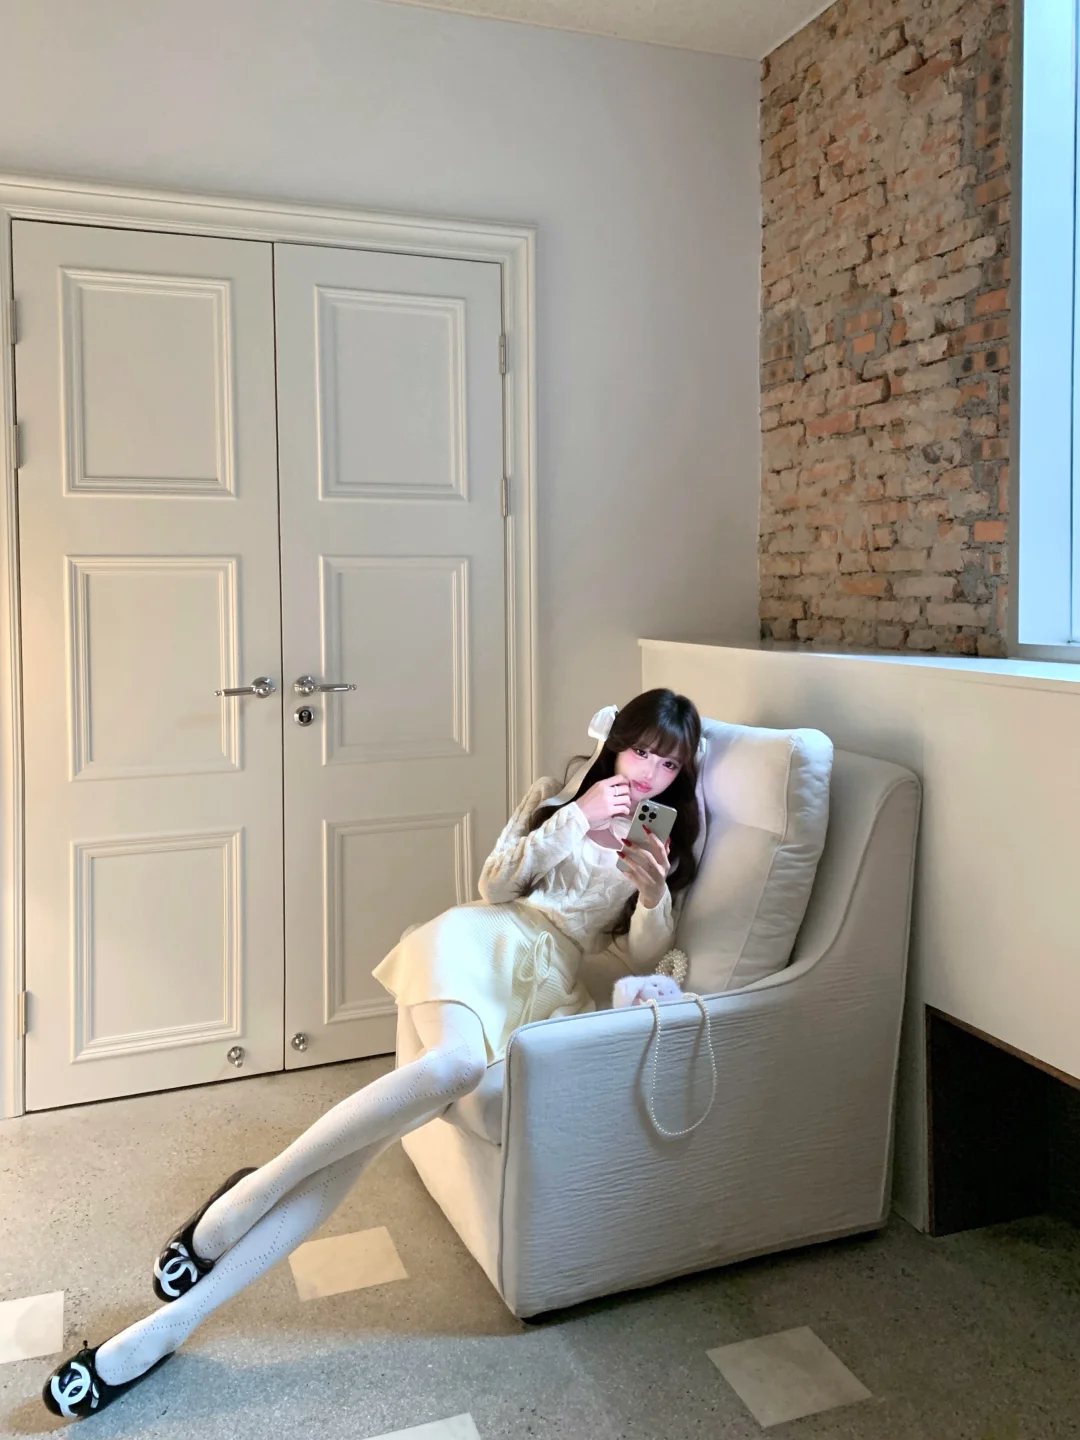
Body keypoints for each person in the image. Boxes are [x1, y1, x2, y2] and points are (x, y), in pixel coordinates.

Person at [43, 688, 703, 1420]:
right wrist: (576, 816)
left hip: (546, 985)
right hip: (484, 942)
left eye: (669, 765)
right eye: (640, 751)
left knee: (369, 1143)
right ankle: (240, 1205)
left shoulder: (664, 843)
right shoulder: (558, 799)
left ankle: (185, 1295)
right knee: (454, 1068)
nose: (649, 774)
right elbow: (494, 884)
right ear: (616, 744)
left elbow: (640, 953)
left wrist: (652, 897)